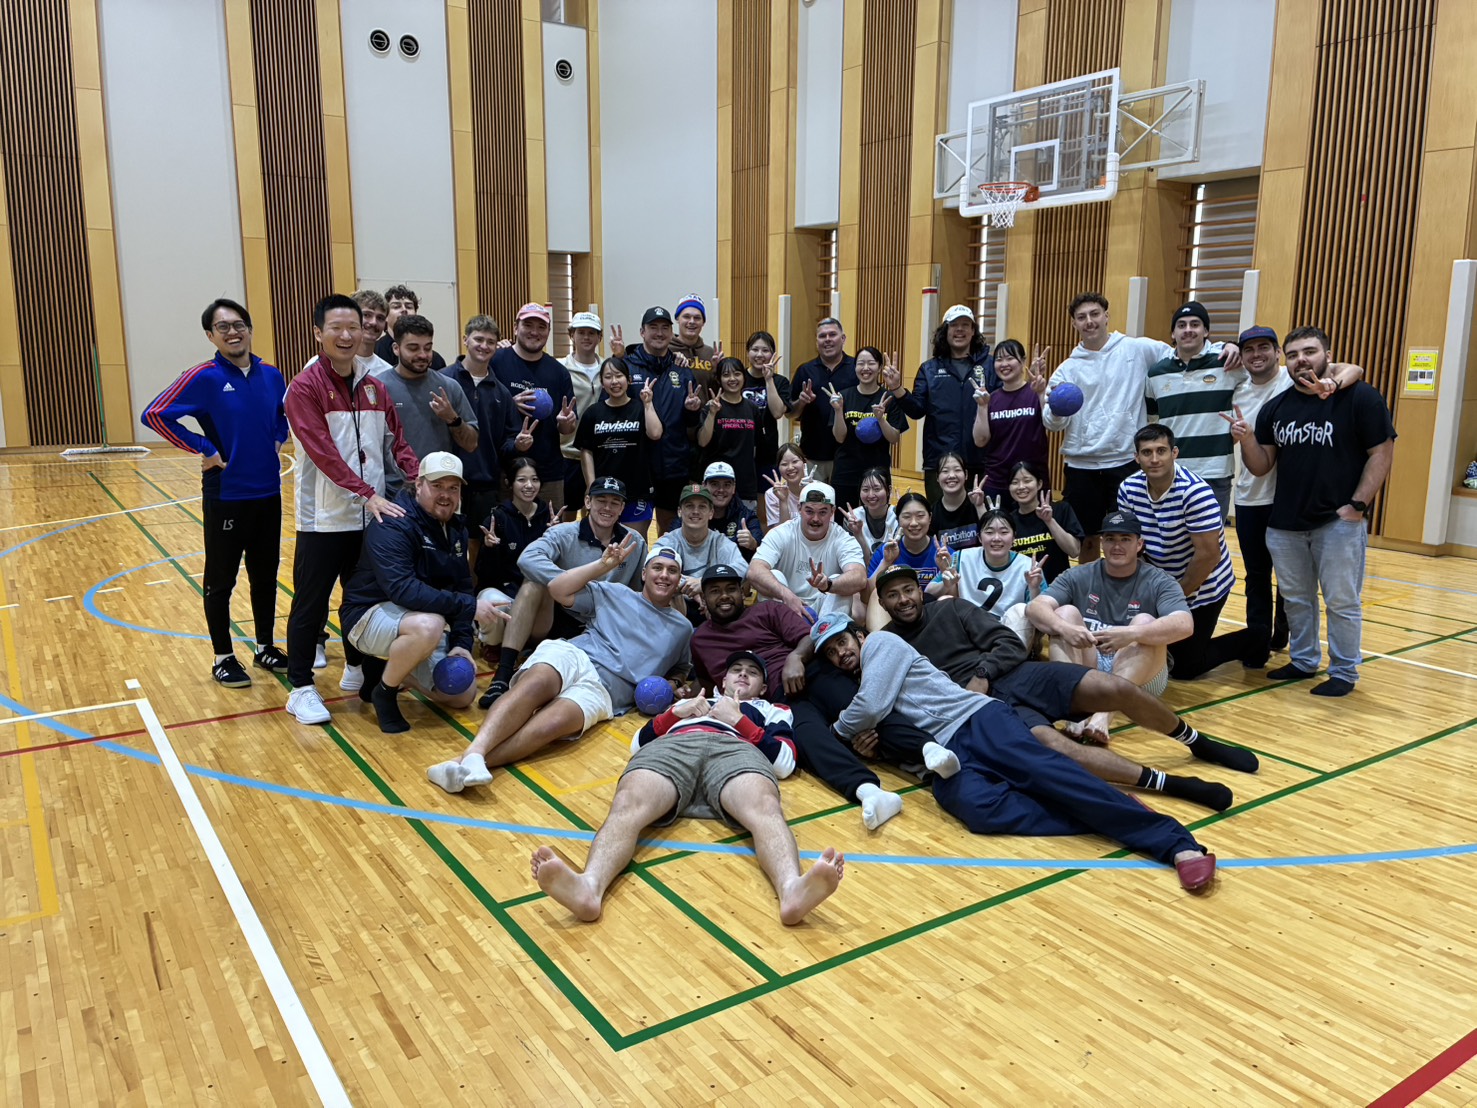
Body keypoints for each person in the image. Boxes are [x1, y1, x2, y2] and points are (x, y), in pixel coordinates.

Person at [814, 615, 1219, 891]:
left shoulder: (880, 644)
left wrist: (837, 732)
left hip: (976, 718)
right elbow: (891, 729)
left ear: (859, 636)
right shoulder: (858, 684)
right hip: (946, 754)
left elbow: (870, 706)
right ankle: (1101, 807)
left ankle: (1175, 843)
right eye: (831, 653)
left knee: (1046, 773)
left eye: (842, 642)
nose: (840, 653)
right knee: (976, 808)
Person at [875, 566, 1251, 812]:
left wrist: (984, 672)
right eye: (893, 595)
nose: (903, 599)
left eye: (908, 590)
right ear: (881, 602)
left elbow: (1008, 642)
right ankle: (1173, 784)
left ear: (920, 590)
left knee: (1114, 686)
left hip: (1018, 675)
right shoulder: (888, 643)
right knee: (1057, 747)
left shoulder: (951, 608)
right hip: (978, 711)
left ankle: (1197, 742)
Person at [527, 651, 845, 926]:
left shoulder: (772, 709)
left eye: (752, 672)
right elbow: (637, 745)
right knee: (628, 803)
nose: (743, 675)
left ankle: (792, 890)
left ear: (762, 687)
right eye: (736, 670)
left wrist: (739, 721)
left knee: (764, 808)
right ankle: (589, 887)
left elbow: (785, 762)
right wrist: (672, 714)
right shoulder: (694, 701)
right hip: (676, 745)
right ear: (723, 681)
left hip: (735, 749)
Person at [426, 539, 695, 793]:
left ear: (678, 579)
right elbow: (558, 590)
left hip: (606, 691)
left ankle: (462, 764)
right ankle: (475, 752)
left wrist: (674, 683)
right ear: (644, 573)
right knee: (536, 683)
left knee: (551, 725)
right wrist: (602, 566)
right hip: (575, 655)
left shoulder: (683, 629)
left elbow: (681, 668)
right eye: (657, 567)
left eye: (672, 571)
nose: (664, 575)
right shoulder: (615, 592)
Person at [1230, 325, 1396, 697]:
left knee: (1341, 601)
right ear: (1284, 361)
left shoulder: (1360, 397)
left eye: (1309, 352)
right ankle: (1304, 661)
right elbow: (1262, 466)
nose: (1301, 360)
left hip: (1337, 522)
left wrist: (1358, 505)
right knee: (1296, 599)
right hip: (1285, 523)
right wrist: (1247, 439)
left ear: (1327, 355)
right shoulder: (1276, 407)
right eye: (1293, 355)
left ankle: (1344, 671)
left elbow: (1381, 452)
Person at [282, 294, 419, 725]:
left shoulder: (374, 385)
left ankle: (360, 670)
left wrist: (422, 478)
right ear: (318, 333)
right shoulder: (303, 388)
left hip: (369, 516)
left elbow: (397, 442)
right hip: (324, 520)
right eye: (336, 328)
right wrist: (366, 493)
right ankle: (300, 688)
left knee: (364, 600)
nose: (346, 335)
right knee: (311, 604)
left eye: (353, 328)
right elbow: (323, 453)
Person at [690, 569, 915, 830]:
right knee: (810, 741)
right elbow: (707, 683)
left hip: (814, 674)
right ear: (703, 598)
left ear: (743, 592)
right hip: (778, 703)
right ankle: (868, 791)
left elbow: (809, 636)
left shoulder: (768, 610)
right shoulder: (700, 640)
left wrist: (795, 657)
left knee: (867, 709)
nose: (724, 596)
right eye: (715, 591)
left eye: (731, 589)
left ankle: (925, 750)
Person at [140, 297, 290, 687]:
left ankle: (264, 647)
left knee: (265, 575)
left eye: (239, 324)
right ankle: (223, 657)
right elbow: (155, 414)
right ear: (211, 335)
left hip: (268, 493)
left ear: (250, 329)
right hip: (227, 494)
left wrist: (278, 438)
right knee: (221, 579)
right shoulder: (203, 377)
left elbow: (282, 415)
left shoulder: (272, 374)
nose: (233, 332)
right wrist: (204, 448)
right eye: (223, 327)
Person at [1043, 293, 1236, 560]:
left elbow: (1183, 350)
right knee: (1086, 539)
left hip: (1125, 462)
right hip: (1081, 465)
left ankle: (1129, 586)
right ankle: (1090, 587)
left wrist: (1227, 346)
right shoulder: (1067, 369)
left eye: (1095, 314)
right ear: (1074, 323)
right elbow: (1051, 423)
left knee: (1128, 536)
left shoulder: (1137, 349)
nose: (1089, 321)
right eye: (1081, 317)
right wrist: (1055, 409)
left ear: (1106, 316)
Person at [1144, 303, 1365, 521]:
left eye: (1195, 324)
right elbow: (1153, 422)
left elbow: (1352, 369)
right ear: (1172, 333)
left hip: (1216, 474)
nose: (1188, 330)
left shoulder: (1229, 364)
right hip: (1173, 472)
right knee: (1167, 537)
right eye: (1181, 325)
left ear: (1206, 331)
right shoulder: (1157, 373)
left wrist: (1333, 384)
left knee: (1209, 540)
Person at [339, 453, 505, 732]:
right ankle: (385, 692)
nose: (446, 495)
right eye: (437, 486)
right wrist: (468, 607)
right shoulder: (393, 522)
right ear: (418, 485)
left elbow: (462, 586)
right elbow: (403, 589)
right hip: (367, 616)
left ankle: (389, 669)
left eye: (453, 488)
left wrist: (462, 643)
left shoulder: (456, 528)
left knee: (461, 694)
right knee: (430, 625)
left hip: (417, 619)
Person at [481, 476, 648, 707]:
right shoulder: (564, 533)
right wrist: (570, 582)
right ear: (587, 502)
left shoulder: (634, 542)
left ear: (622, 508)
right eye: (601, 500)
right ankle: (503, 673)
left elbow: (638, 593)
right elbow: (527, 559)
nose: (607, 507)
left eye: (614, 502)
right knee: (532, 584)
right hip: (558, 616)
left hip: (603, 626)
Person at [1026, 509, 1192, 740]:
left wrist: (1131, 633)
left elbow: (1185, 624)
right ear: (1102, 542)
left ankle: (1104, 715)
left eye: (1125, 539)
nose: (1117, 546)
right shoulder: (1080, 574)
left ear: (1139, 544)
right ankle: (1075, 713)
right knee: (1064, 614)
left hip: (1141, 676)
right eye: (1111, 539)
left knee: (1145, 621)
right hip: (1090, 665)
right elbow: (1035, 607)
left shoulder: (1159, 580)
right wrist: (1065, 628)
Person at [1117, 425, 1255, 678]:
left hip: (1204, 584)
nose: (1154, 459)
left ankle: (1251, 638)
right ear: (1136, 457)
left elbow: (1208, 557)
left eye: (1161, 451)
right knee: (1144, 643)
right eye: (1147, 452)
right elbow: (1131, 544)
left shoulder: (1195, 492)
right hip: (1161, 579)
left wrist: (1171, 600)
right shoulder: (1128, 489)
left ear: (1175, 453)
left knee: (1184, 667)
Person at [1224, 325, 1292, 667]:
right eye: (1248, 349)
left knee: (1290, 576)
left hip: (1290, 497)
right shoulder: (1237, 392)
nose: (1256, 354)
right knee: (1257, 575)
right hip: (1251, 497)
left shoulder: (1292, 381)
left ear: (1277, 352)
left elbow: (1346, 369)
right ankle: (1258, 642)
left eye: (1264, 347)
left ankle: (1283, 631)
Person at [895, 304, 999, 502]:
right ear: (945, 331)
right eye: (954, 325)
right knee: (939, 516)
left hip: (981, 461)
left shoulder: (991, 366)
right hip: (939, 462)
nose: (960, 329)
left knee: (980, 516)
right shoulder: (929, 369)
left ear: (973, 331)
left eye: (965, 325)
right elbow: (917, 410)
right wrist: (897, 389)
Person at [444, 314, 522, 560]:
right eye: (478, 339)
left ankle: (473, 586)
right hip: (445, 478)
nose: (484, 346)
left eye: (490, 342)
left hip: (485, 483)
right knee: (444, 545)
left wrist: (518, 444)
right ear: (465, 340)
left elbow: (506, 441)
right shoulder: (443, 380)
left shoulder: (502, 392)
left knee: (478, 549)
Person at [624, 305, 703, 533]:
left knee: (669, 529)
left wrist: (692, 410)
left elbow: (691, 423)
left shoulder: (682, 370)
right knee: (634, 533)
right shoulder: (627, 368)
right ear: (642, 332)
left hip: (673, 464)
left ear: (671, 333)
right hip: (637, 465)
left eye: (665, 328)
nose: (659, 333)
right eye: (653, 327)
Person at [492, 303, 578, 513]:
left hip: (549, 472)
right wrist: (509, 404)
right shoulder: (495, 361)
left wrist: (566, 423)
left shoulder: (558, 371)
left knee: (551, 530)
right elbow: (483, 409)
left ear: (548, 331)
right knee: (506, 531)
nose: (534, 332)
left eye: (541, 327)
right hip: (505, 471)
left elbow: (567, 428)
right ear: (515, 328)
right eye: (528, 325)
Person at [373, 315, 479, 483]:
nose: (422, 355)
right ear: (396, 348)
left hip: (438, 487)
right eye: (413, 348)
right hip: (393, 490)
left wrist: (452, 419)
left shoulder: (449, 387)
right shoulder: (377, 387)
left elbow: (471, 444)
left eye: (428, 348)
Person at [748, 482, 867, 623]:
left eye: (822, 512)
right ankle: (783, 631)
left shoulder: (842, 538)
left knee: (840, 584)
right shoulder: (782, 533)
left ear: (832, 512)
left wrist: (829, 584)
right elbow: (754, 570)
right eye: (809, 511)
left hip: (824, 609)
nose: (815, 519)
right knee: (774, 576)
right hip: (786, 606)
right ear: (799, 509)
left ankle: (826, 634)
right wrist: (786, 594)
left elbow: (859, 576)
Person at [574, 356, 661, 525]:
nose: (614, 381)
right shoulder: (593, 412)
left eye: (619, 376)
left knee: (634, 540)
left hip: (637, 491)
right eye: (608, 377)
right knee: (602, 539)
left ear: (628, 380)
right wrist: (591, 486)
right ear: (602, 382)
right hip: (603, 492)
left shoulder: (640, 408)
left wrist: (648, 404)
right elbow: (586, 451)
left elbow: (655, 434)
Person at [698, 357, 785, 512]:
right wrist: (712, 414)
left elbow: (758, 446)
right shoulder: (712, 407)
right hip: (717, 483)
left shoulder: (752, 408)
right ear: (719, 379)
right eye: (726, 375)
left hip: (745, 484)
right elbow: (702, 442)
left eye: (737, 374)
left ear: (744, 377)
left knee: (745, 524)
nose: (732, 379)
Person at [828, 346, 908, 511]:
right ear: (855, 367)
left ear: (879, 368)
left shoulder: (889, 398)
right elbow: (839, 437)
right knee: (844, 519)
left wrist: (881, 419)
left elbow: (894, 438)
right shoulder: (843, 396)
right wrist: (838, 410)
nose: (865, 368)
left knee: (876, 517)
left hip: (877, 473)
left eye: (871, 363)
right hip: (846, 472)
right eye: (860, 363)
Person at [950, 510, 1043, 645]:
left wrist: (1034, 588)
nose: (996, 538)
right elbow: (931, 591)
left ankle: (1011, 654)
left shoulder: (1030, 566)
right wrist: (946, 583)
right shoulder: (960, 557)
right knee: (944, 600)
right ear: (979, 538)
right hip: (969, 626)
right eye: (989, 532)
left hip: (1007, 631)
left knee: (1021, 610)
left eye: (1004, 532)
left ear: (1014, 537)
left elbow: (1040, 613)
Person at [971, 339, 1050, 497]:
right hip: (997, 481)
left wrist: (1041, 393)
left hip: (1032, 480)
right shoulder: (990, 399)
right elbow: (980, 441)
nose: (1004, 364)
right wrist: (982, 407)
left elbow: (1052, 424)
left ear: (1023, 361)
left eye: (1010, 358)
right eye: (999, 359)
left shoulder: (1036, 392)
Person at [664, 485, 748, 625]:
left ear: (711, 513)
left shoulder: (720, 541)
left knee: (726, 595)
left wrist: (704, 583)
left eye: (702, 507)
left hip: (713, 604)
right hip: (681, 606)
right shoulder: (668, 541)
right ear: (679, 511)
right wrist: (694, 590)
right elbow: (655, 570)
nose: (696, 511)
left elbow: (743, 568)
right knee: (668, 592)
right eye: (689, 506)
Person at [787, 318, 857, 483]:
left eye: (832, 334)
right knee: (812, 499)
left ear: (843, 338)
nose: (827, 339)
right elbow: (790, 414)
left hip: (848, 455)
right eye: (822, 336)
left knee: (843, 499)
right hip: (812, 455)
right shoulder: (805, 370)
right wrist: (801, 402)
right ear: (816, 341)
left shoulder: (856, 368)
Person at [474, 457, 555, 600]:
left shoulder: (550, 517)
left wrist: (558, 537)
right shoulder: (496, 519)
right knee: (491, 599)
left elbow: (560, 567)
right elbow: (484, 575)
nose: (529, 485)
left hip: (542, 590)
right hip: (507, 592)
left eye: (535, 479)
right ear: (509, 483)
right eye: (521, 480)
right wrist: (489, 548)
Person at [559, 310, 604, 518]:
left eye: (591, 333)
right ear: (572, 335)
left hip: (600, 454)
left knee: (596, 513)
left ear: (599, 337)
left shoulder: (608, 368)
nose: (586, 337)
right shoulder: (559, 368)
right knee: (566, 515)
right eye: (581, 332)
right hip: (569, 454)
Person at [1004, 460, 1083, 581]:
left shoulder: (1061, 509)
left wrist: (1049, 521)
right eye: (1015, 482)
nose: (1021, 487)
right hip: (1023, 586)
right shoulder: (1009, 521)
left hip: (1058, 586)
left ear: (1039, 484)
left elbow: (1074, 551)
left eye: (1027, 481)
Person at [741, 330, 792, 498]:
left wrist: (768, 379)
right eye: (755, 349)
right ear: (747, 352)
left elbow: (777, 412)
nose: (759, 355)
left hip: (767, 453)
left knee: (765, 505)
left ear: (772, 354)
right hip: (740, 451)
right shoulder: (738, 378)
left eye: (765, 350)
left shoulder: (780, 381)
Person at [702, 461, 764, 559]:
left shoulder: (746, 516)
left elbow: (763, 551)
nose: (721, 490)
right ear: (704, 486)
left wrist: (753, 544)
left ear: (734, 487)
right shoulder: (693, 514)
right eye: (715, 484)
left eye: (727, 485)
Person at [376, 284, 447, 370]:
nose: (404, 310)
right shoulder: (375, 353)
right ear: (385, 315)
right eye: (396, 306)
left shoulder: (436, 360)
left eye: (409, 307)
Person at [840, 467, 897, 564]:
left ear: (889, 490)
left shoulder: (898, 515)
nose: (871, 495)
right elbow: (855, 559)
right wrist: (858, 534)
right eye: (865, 489)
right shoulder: (851, 519)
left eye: (877, 489)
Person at [930, 452, 985, 551]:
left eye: (957, 470)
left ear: (966, 474)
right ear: (937, 477)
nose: (951, 475)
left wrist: (979, 506)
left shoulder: (979, 500)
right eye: (945, 471)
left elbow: (992, 535)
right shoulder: (933, 513)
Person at [670, 293, 717, 397]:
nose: (691, 321)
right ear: (677, 319)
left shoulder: (710, 354)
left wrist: (717, 370)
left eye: (697, 318)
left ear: (703, 322)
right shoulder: (666, 351)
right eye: (686, 317)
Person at [762, 443, 809, 527]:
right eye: (784, 464)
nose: (790, 467)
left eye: (795, 461)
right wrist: (783, 501)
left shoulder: (820, 490)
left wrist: (808, 495)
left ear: (805, 463)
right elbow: (779, 532)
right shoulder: (773, 494)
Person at [351, 289, 393, 376]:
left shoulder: (388, 372)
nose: (374, 322)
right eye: (366, 315)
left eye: (380, 318)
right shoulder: (330, 365)